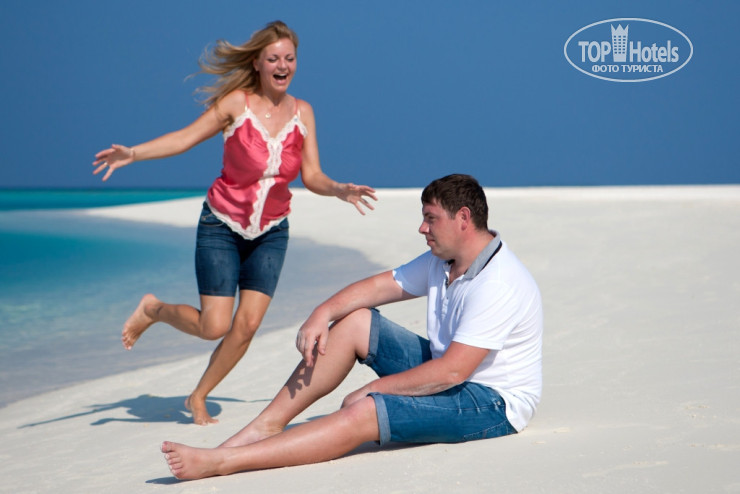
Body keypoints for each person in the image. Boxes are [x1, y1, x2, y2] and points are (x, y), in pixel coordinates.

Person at [161, 174, 543, 479]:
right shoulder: (444, 259)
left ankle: (223, 463)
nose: (421, 228)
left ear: (463, 218)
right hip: (451, 370)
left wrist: (374, 388)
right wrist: (322, 312)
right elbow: (378, 287)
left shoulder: (498, 282)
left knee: (366, 411)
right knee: (356, 321)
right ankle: (267, 426)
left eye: (431, 218)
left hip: (492, 402)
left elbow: (453, 371)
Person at [92, 20, 377, 425]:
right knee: (214, 326)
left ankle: (198, 395)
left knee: (247, 325)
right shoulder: (235, 105)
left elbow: (311, 175)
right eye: (273, 59)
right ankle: (154, 310)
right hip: (221, 225)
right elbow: (184, 138)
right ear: (257, 63)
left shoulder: (303, 113)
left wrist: (338, 189)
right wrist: (133, 153)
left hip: (272, 232)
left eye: (289, 58)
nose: (282, 65)